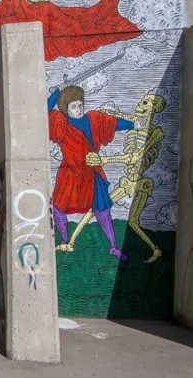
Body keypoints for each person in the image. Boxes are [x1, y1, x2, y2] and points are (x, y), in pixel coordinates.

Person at [48, 85, 140, 261]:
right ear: (66, 109)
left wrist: (133, 124)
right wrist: (55, 94)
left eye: (80, 104)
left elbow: (112, 124)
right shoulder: (61, 123)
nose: (79, 109)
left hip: (93, 172)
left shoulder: (92, 119)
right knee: (59, 207)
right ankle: (65, 241)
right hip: (70, 174)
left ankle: (113, 247)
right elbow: (43, 113)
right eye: (74, 106)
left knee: (102, 208)